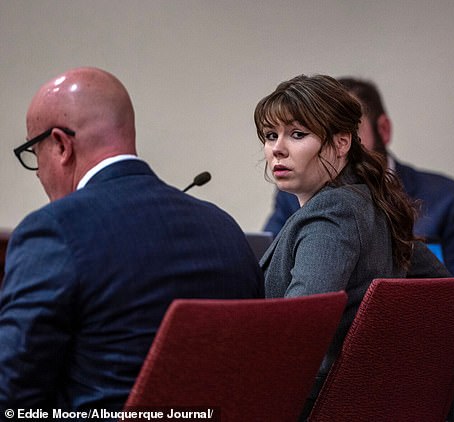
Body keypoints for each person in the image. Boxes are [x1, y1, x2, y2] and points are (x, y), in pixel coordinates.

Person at [0, 67, 264, 411]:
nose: (38, 173)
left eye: (35, 154)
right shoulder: (224, 230)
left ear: (61, 145)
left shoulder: (54, 230)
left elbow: (10, 393)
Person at [254, 74, 449, 415]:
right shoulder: (369, 201)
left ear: (342, 142)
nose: (277, 149)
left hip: (312, 405)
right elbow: (449, 291)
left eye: (297, 134)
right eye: (271, 135)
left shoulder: (332, 215)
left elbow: (298, 331)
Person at [263, 77, 454, 277]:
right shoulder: (293, 194)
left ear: (384, 129)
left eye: (350, 131)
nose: (345, 142)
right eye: (271, 135)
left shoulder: (452, 199)